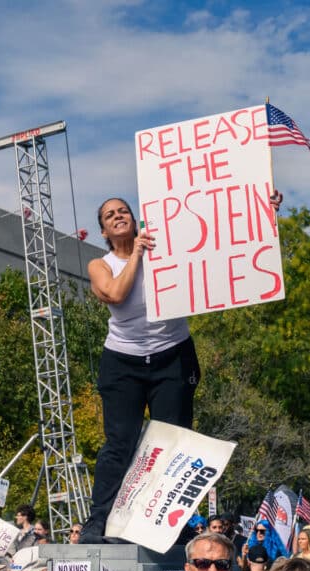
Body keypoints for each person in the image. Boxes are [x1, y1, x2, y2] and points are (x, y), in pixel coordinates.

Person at [79, 197, 202, 544]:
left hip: (172, 356)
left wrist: (263, 207)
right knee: (120, 442)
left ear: (135, 219)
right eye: (109, 215)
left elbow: (218, 240)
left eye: (123, 211)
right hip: (123, 363)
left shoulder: (167, 249)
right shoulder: (99, 266)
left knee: (173, 444)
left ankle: (169, 524)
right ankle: (98, 522)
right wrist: (136, 254)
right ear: (104, 230)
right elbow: (116, 295)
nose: (118, 216)